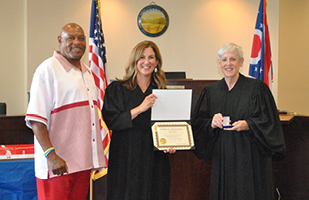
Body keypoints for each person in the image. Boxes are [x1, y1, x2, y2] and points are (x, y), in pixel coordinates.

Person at [192, 43, 285, 200]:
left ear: (241, 62)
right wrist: (211, 123)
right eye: (224, 60)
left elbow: (270, 121)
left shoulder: (256, 88)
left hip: (250, 155)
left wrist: (249, 124)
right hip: (222, 156)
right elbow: (198, 124)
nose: (228, 64)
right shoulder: (210, 92)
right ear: (219, 63)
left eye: (233, 59)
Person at [25, 23, 106, 200]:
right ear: (60, 41)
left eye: (81, 38)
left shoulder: (87, 72)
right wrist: (50, 155)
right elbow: (36, 120)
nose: (77, 42)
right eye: (71, 38)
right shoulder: (47, 70)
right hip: (57, 165)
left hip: (82, 163)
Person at [102, 40, 176, 200]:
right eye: (142, 57)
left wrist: (170, 142)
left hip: (154, 158)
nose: (146, 62)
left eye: (151, 57)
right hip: (126, 157)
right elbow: (112, 121)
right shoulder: (117, 89)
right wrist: (140, 108)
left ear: (157, 62)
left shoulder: (161, 92)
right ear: (135, 61)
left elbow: (168, 126)